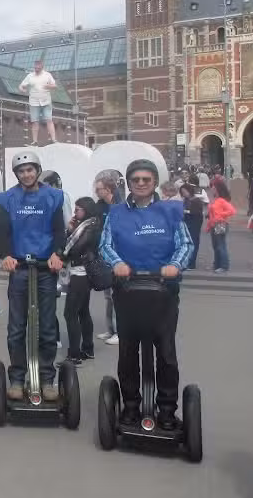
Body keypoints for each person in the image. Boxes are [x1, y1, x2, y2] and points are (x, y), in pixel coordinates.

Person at [99, 159, 194, 429]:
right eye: (136, 179)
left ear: (154, 182)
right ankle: (130, 405)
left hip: (163, 291)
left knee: (165, 352)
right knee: (128, 351)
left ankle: (166, 409)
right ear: (128, 183)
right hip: (127, 290)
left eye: (146, 179)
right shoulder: (116, 213)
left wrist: (175, 265)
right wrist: (117, 263)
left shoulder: (170, 211)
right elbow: (105, 245)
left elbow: (185, 244)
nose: (141, 183)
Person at [0, 151, 65, 402]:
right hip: (20, 268)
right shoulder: (7, 199)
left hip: (45, 268)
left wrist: (57, 253)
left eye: (30, 170)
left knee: (47, 327)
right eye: (21, 171)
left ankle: (46, 379)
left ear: (37, 170)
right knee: (16, 328)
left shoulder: (53, 197)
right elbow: (2, 231)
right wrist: (6, 255)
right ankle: (17, 378)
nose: (26, 174)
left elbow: (59, 230)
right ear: (16, 174)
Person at [58, 197, 103, 367]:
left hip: (81, 273)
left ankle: (74, 355)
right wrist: (71, 230)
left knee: (70, 313)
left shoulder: (90, 226)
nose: (75, 212)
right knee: (83, 312)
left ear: (87, 210)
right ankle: (88, 349)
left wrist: (64, 246)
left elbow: (75, 249)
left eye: (78, 209)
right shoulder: (85, 225)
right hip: (81, 272)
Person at [94, 173, 121, 346]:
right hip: (103, 254)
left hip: (116, 255)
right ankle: (110, 329)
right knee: (108, 296)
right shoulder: (100, 206)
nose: (97, 192)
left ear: (108, 189)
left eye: (99, 189)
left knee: (116, 295)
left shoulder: (119, 207)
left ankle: (119, 331)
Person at [18, 60, 57, 146]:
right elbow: (21, 85)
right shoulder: (30, 76)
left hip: (46, 101)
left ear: (42, 67)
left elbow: (54, 86)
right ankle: (35, 141)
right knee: (35, 122)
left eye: (38, 68)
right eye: (35, 68)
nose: (36, 69)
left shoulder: (47, 75)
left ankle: (53, 139)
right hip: (34, 102)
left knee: (49, 120)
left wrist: (48, 86)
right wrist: (22, 89)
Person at [206, 180, 235, 273]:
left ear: (218, 189)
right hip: (214, 224)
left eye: (213, 187)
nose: (212, 189)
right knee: (216, 246)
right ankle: (217, 264)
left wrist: (220, 215)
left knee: (220, 245)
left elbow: (232, 211)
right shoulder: (215, 200)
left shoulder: (222, 200)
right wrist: (209, 225)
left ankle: (224, 265)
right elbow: (211, 214)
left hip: (220, 224)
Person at [178, 183, 205, 269]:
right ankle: (187, 261)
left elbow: (197, 213)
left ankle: (192, 263)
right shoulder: (186, 200)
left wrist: (186, 211)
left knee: (194, 242)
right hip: (187, 223)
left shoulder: (196, 201)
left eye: (185, 192)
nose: (184, 194)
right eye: (182, 192)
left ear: (189, 191)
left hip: (194, 224)